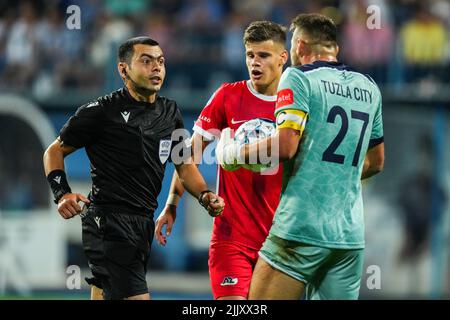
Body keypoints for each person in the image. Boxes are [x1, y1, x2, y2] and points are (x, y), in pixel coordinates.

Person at [217, 13, 385, 300]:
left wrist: (233, 154)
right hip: (348, 237)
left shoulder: (298, 77)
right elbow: (376, 162)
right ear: (336, 49)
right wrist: (332, 172)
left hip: (299, 230)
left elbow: (285, 146)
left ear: (300, 46)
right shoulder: (368, 87)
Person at [43, 37, 224, 300]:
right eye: (146, 61)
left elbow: (185, 167)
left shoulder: (170, 112)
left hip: (142, 224)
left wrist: (206, 196)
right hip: (108, 222)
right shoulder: (101, 111)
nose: (156, 68)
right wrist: (62, 193)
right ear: (123, 69)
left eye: (160, 62)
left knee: (105, 295)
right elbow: (54, 151)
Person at [155, 21, 288, 300]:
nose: (255, 62)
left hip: (281, 242)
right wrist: (172, 203)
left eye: (263, 55)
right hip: (232, 238)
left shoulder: (295, 104)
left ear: (282, 57)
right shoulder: (228, 96)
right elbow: (188, 156)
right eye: (250, 55)